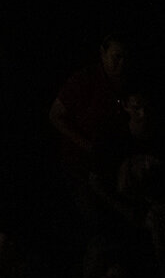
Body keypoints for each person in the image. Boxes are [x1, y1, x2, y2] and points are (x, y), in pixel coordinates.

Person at [49, 30, 128, 178]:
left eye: (126, 57)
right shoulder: (83, 80)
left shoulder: (128, 83)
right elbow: (55, 115)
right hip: (80, 165)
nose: (122, 63)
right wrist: (88, 146)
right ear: (103, 53)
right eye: (117, 57)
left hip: (113, 164)